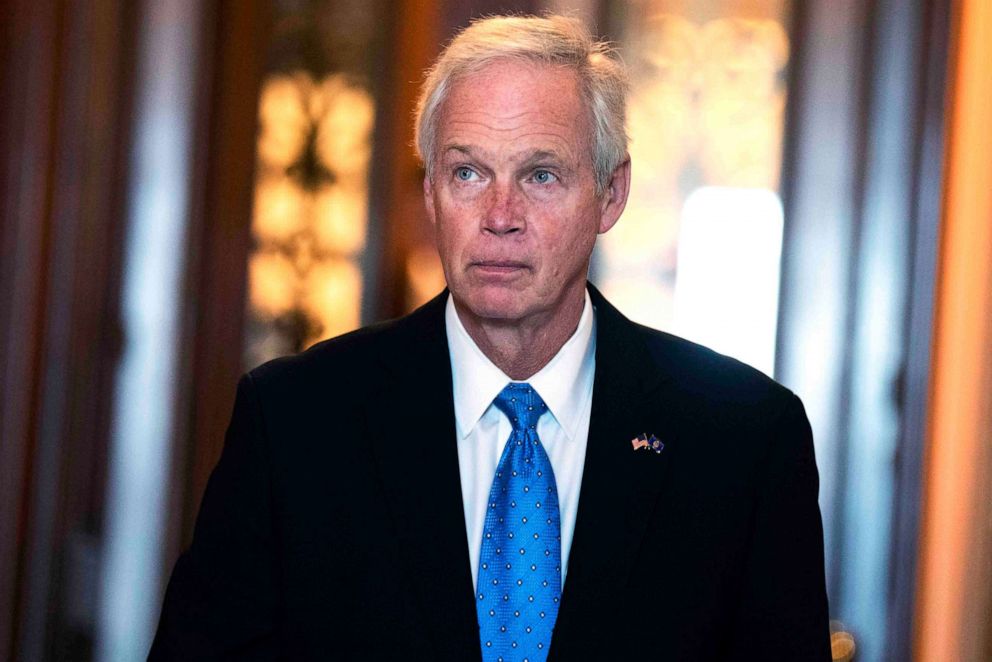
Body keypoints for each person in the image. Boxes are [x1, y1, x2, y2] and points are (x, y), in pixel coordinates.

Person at [149, 14, 830, 661]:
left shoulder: (742, 442)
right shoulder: (296, 422)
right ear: (430, 193)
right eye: (467, 172)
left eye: (540, 175)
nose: (500, 216)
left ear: (611, 194)